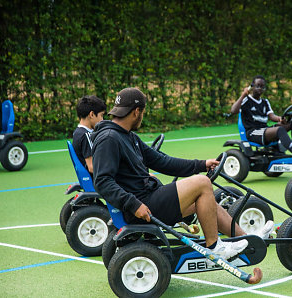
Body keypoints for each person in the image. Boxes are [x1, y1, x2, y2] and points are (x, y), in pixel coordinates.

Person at [92, 87, 273, 262]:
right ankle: (214, 247)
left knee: (206, 201)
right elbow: (102, 181)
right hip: (141, 207)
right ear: (136, 111)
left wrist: (202, 164)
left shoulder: (128, 136)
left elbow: (163, 162)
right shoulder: (109, 138)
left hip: (148, 199)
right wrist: (133, 204)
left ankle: (249, 240)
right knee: (202, 184)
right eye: (143, 112)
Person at [231, 75, 292, 166]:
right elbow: (233, 110)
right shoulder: (246, 100)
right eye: (258, 86)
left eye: (263, 87)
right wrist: (243, 94)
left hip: (265, 130)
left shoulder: (265, 102)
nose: (260, 89)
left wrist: (280, 119)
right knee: (279, 130)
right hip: (253, 132)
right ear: (252, 86)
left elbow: (271, 116)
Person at [72, 95, 107, 174]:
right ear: (91, 114)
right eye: (101, 115)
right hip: (97, 181)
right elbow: (92, 167)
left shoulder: (77, 132)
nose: (102, 119)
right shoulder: (86, 135)